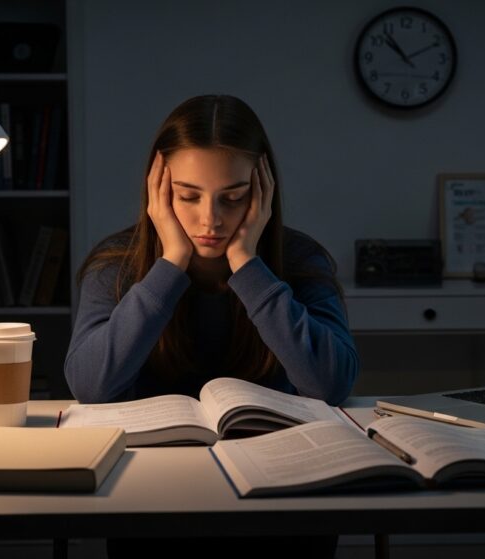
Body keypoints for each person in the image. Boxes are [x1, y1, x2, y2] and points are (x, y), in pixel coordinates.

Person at [64, 94, 358, 557]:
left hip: (282, 498)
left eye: (234, 198)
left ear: (262, 192)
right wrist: (171, 263)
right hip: (155, 497)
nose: (210, 220)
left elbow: (332, 381)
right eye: (188, 196)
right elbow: (90, 385)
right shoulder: (117, 264)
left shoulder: (300, 260)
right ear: (158, 190)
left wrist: (247, 266)